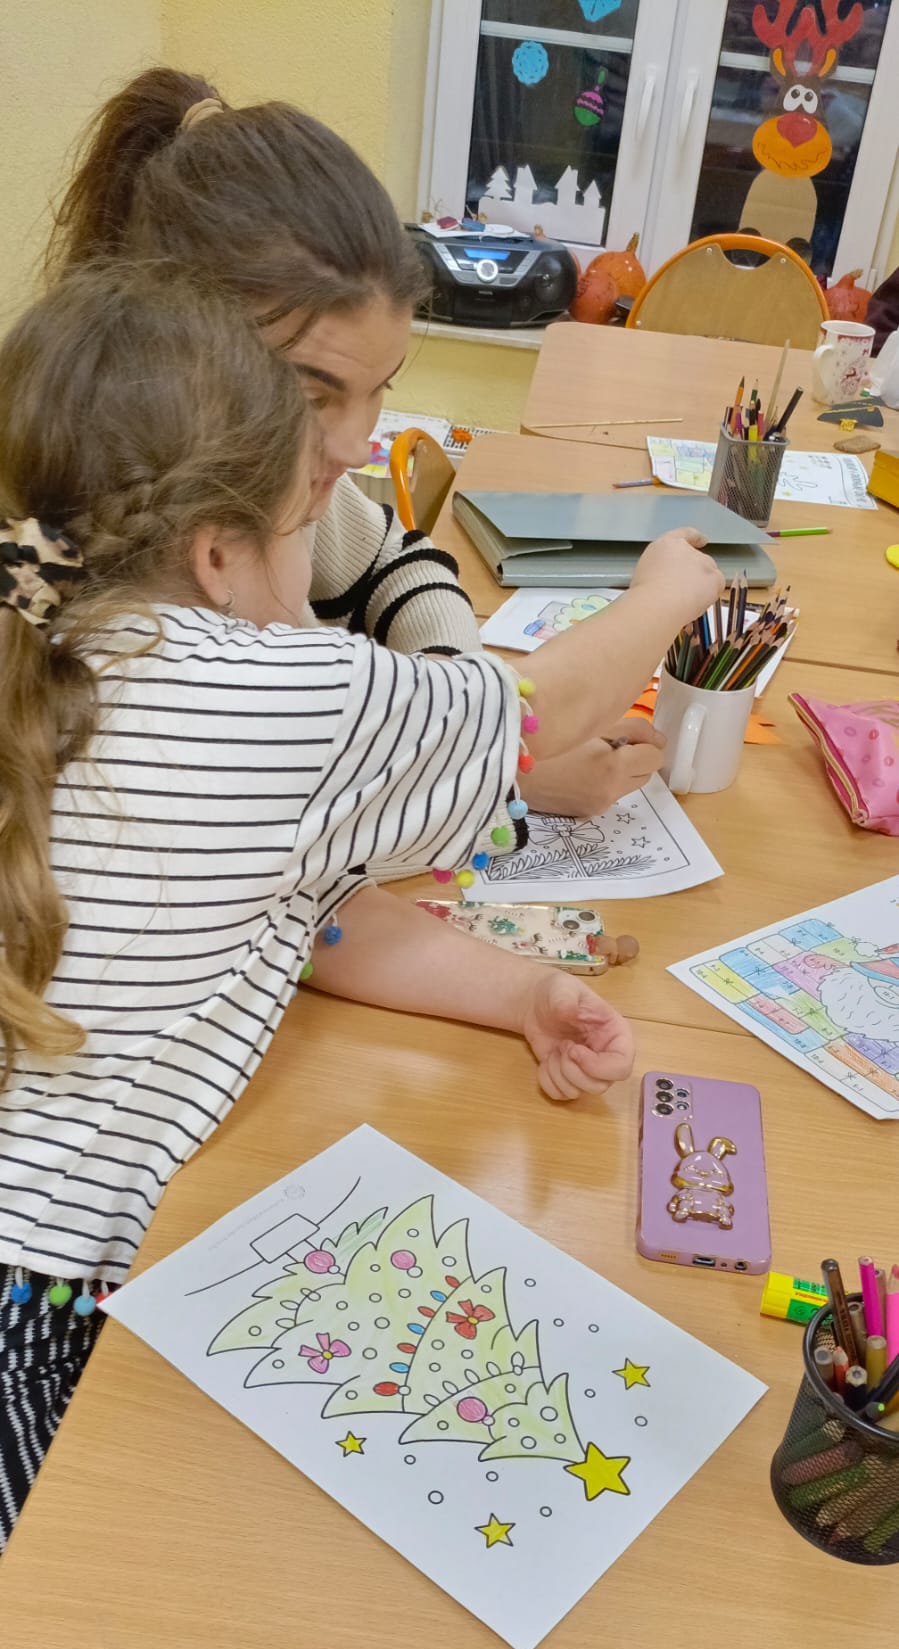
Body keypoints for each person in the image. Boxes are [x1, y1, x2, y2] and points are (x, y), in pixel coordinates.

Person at [0, 261, 642, 1548]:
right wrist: (674, 584)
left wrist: (518, 992)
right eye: (310, 518)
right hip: (34, 1309)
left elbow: (312, 919)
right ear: (218, 553)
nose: (322, 559)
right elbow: (522, 714)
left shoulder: (54, 645)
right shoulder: (273, 689)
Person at [47, 67, 724, 819]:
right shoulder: (127, 608)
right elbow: (528, 714)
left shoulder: (241, 474)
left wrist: (449, 729)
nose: (354, 446)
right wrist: (496, 770)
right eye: (313, 396)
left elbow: (397, 560)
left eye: (380, 390)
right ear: (183, 359)